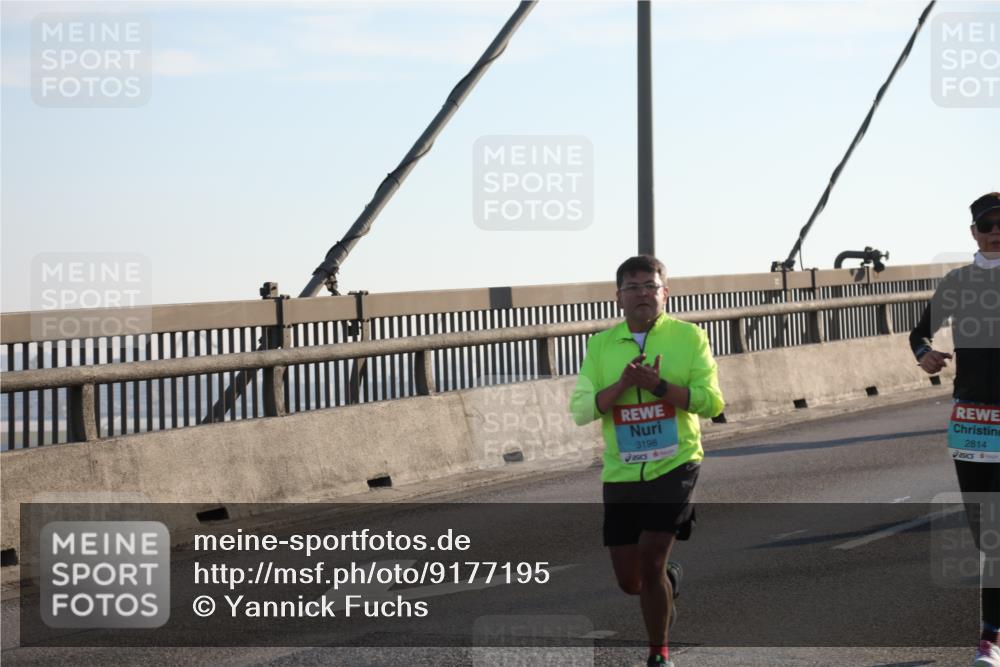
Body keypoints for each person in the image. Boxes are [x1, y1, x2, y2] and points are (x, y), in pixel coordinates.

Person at [570, 255, 724, 667]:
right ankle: (668, 581)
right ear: (618, 297)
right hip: (622, 470)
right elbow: (582, 410)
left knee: (652, 557)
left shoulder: (689, 337)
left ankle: (659, 654)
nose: (642, 294)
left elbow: (712, 403)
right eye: (633, 287)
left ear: (665, 293)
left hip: (675, 463)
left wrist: (658, 387)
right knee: (631, 580)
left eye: (650, 286)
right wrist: (622, 384)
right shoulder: (601, 345)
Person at [910, 192, 1000, 667]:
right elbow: (918, 332)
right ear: (974, 232)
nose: (996, 232)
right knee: (986, 534)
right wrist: (924, 353)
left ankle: (989, 638)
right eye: (988, 225)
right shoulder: (959, 282)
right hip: (974, 423)